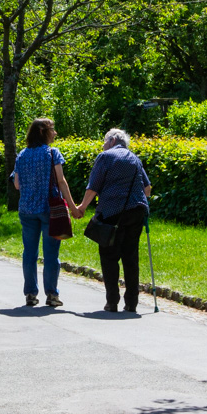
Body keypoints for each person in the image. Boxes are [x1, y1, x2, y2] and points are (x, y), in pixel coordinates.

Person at [74, 129, 152, 314]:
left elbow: (93, 186)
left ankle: (112, 302)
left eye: (104, 140)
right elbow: (147, 189)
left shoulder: (105, 157)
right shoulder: (134, 158)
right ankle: (131, 303)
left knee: (109, 257)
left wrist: (82, 207)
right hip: (136, 212)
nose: (103, 144)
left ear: (113, 140)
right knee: (130, 257)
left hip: (111, 213)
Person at [12, 118, 78, 308]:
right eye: (52, 129)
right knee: (50, 255)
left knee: (29, 254)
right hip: (50, 210)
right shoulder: (52, 153)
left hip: (26, 210)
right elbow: (61, 182)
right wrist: (73, 208)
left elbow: (17, 184)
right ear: (43, 131)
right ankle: (52, 295)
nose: (55, 133)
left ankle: (31, 294)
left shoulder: (22, 155)